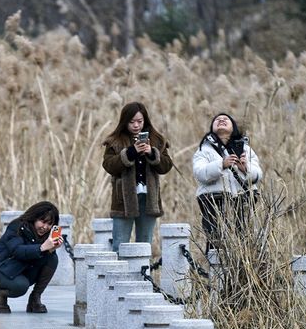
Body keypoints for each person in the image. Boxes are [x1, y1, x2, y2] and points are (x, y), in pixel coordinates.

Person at [101, 102, 174, 253]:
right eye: (132, 122)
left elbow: (166, 166)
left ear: (145, 120)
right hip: (123, 201)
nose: (136, 125)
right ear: (124, 122)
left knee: (144, 245)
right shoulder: (114, 141)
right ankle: (118, 276)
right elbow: (109, 166)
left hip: (149, 199)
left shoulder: (157, 140)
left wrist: (152, 153)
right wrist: (131, 152)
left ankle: (143, 276)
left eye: (140, 121)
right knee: (119, 245)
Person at [192, 112, 262, 247]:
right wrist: (222, 164)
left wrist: (245, 169)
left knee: (245, 242)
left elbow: (258, 175)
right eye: (217, 119)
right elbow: (199, 173)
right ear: (212, 127)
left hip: (243, 200)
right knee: (215, 243)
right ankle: (215, 268)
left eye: (226, 119)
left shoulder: (246, 149)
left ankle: (243, 268)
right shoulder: (204, 149)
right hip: (214, 201)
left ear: (233, 127)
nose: (221, 120)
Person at [0, 201, 62, 314]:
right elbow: (17, 251)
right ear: (34, 218)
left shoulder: (46, 235)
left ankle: (34, 300)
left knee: (52, 258)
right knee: (20, 286)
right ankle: (0, 296)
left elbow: (39, 255)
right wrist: (42, 247)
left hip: (21, 269)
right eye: (43, 221)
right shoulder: (16, 227)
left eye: (50, 224)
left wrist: (50, 250)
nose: (45, 227)